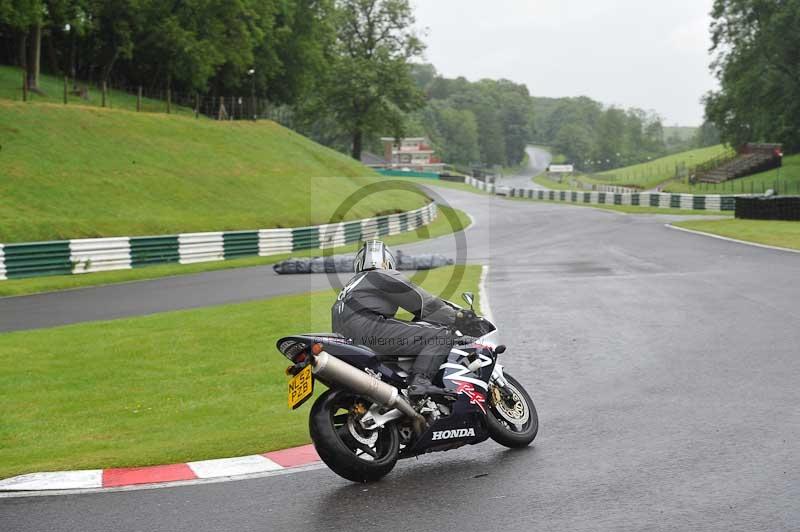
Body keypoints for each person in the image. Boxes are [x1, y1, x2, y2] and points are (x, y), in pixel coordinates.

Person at [332, 240, 459, 398]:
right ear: (387, 262)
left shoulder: (349, 287)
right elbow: (423, 303)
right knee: (442, 335)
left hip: (347, 341)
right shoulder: (381, 274)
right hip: (369, 330)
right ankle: (420, 382)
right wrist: (457, 317)